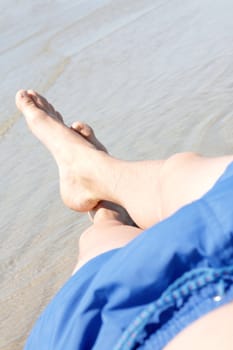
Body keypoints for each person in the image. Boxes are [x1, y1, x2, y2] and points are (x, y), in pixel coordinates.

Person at [16, 90, 233, 349]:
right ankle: (103, 175)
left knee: (107, 247)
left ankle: (106, 204)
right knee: (192, 177)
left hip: (121, 326)